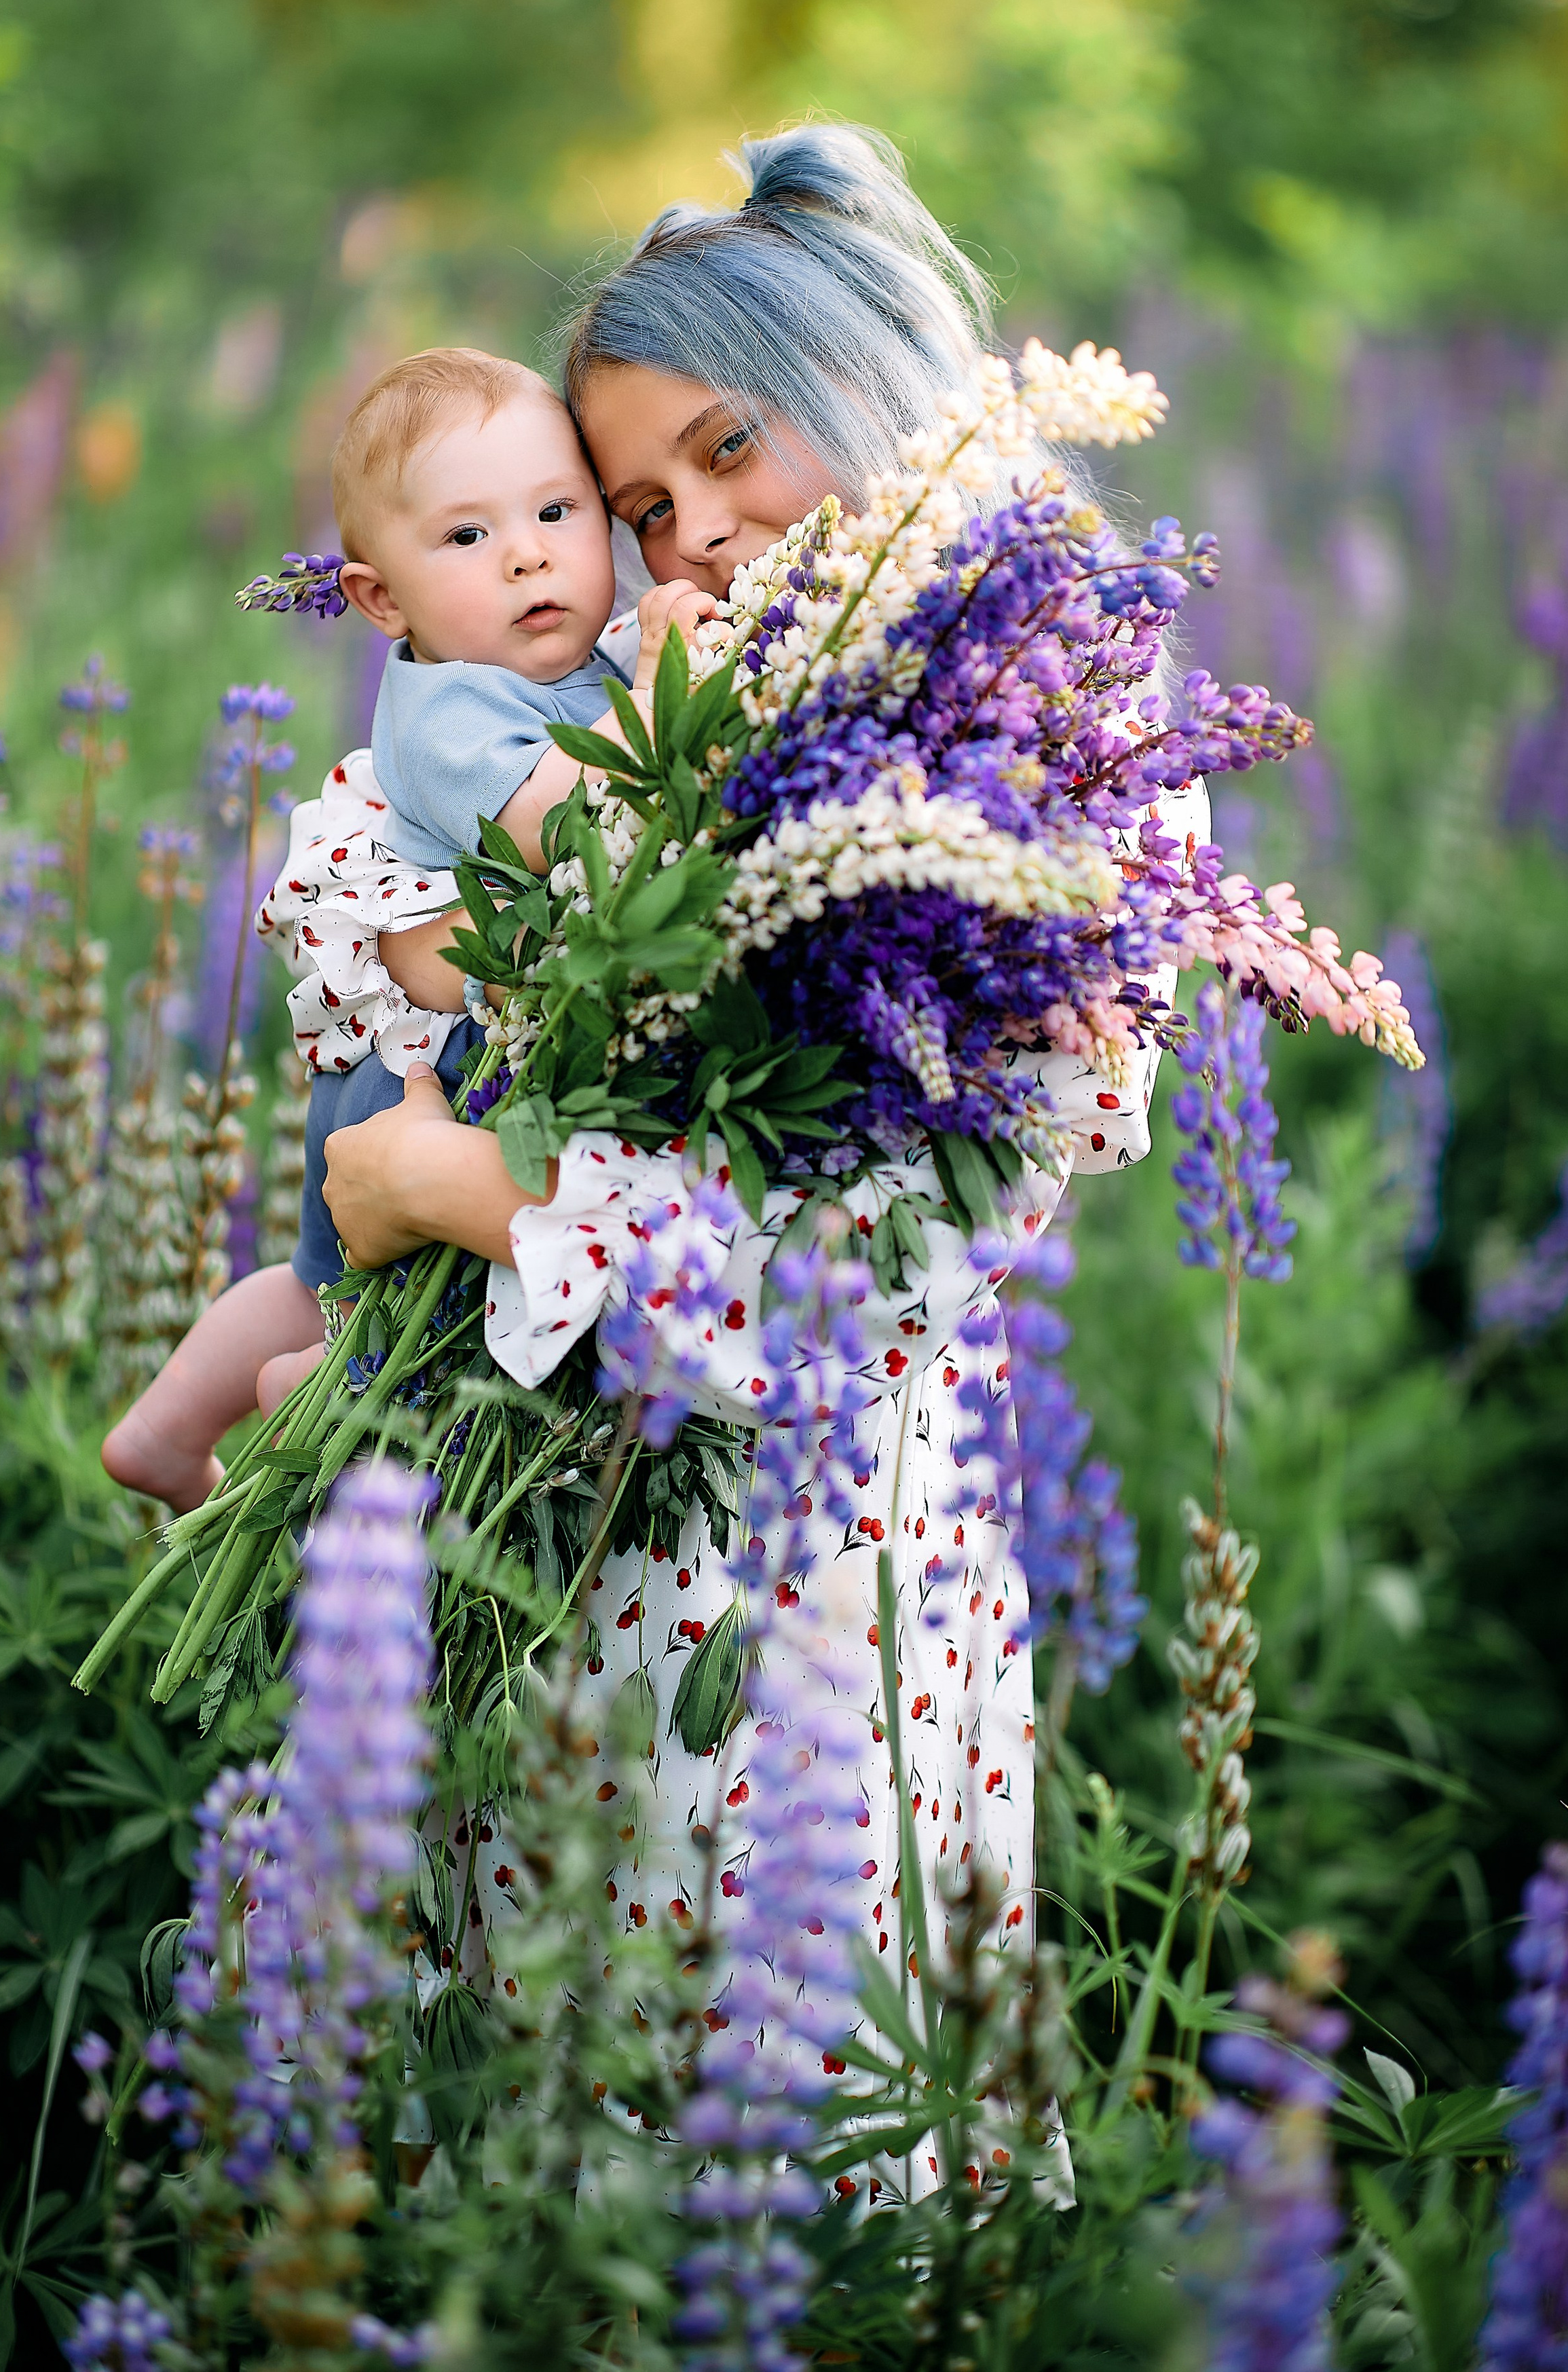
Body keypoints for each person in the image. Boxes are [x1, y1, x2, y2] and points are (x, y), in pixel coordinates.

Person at [302, 125, 1204, 2202]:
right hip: (544, 1550)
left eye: (729, 452)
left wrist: (479, 1197)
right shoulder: (644, 706)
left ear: (874, 385)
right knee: (521, 2138)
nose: (688, 532)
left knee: (782, 2165)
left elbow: (896, 1258)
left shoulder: (1067, 745)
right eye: (633, 507)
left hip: (816, 1581)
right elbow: (380, 924)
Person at [101, 346, 712, 1510]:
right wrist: (663, 693)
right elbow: (560, 827)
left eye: (557, 510)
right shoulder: (446, 711)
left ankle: (171, 1430)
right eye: (468, 538)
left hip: (448, 1045)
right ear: (383, 599)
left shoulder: (567, 657)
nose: (530, 551)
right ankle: (288, 1396)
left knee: (314, 1280)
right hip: (423, 1077)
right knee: (370, 1303)